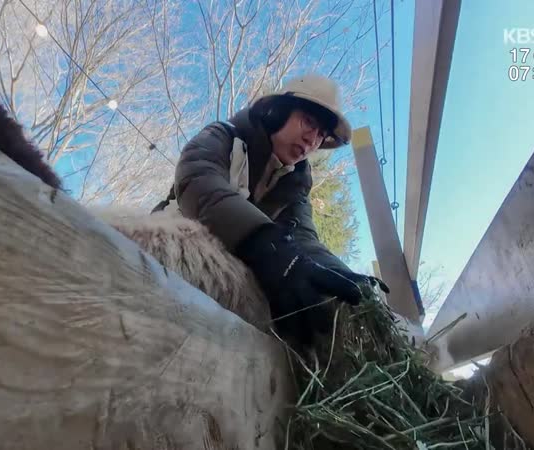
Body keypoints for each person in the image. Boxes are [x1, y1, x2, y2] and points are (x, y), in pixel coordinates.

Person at [153, 73, 389, 347]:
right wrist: (265, 243)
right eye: (309, 122)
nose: (312, 140)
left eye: (321, 135)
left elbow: (303, 237)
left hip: (228, 282)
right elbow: (198, 181)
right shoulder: (221, 136)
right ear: (278, 112)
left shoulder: (296, 185)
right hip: (169, 251)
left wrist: (342, 276)